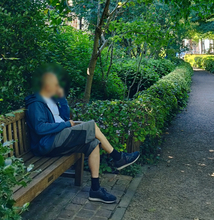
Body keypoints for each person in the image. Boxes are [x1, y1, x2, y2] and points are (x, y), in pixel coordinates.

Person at [25, 72, 140, 204]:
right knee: (92, 126)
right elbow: (40, 128)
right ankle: (118, 157)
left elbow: (65, 116)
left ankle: (95, 189)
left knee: (93, 143)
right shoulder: (36, 103)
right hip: (47, 143)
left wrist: (62, 98)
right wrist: (66, 125)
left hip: (58, 138)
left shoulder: (51, 100)